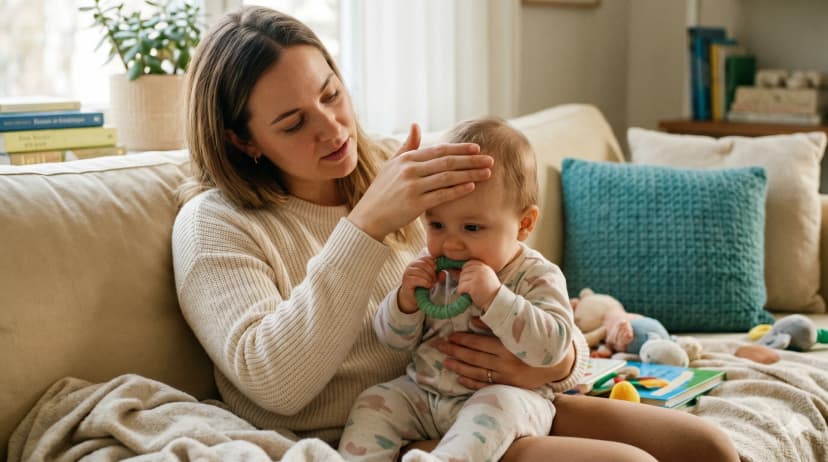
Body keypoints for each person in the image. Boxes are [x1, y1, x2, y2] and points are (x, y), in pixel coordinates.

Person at [173, 5, 739, 462]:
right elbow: (274, 386)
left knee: (708, 447)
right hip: (374, 424)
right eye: (294, 123)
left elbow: (517, 266)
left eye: (331, 94)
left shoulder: (395, 166)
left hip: (490, 394)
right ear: (243, 141)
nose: (334, 128)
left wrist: (555, 366)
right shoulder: (214, 226)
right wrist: (365, 226)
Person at [338, 117, 584, 462]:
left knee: (499, 408)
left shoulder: (536, 275)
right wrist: (405, 302)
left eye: (472, 227)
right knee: (375, 401)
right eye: (436, 224)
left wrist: (496, 299)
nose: (451, 244)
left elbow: (554, 346)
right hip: (424, 393)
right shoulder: (433, 271)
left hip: (502, 398)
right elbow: (391, 341)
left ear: (524, 224)